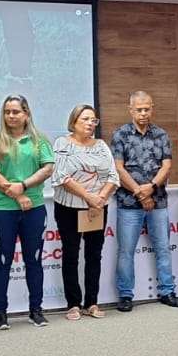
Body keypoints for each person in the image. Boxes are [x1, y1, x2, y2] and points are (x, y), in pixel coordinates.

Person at [0, 95, 55, 330]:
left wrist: (23, 186)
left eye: (16, 112)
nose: (11, 116)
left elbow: (47, 169)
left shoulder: (39, 141)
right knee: (2, 261)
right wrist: (16, 194)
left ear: (26, 114)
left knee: (34, 260)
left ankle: (36, 310)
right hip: (2, 209)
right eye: (7, 112)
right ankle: (0, 313)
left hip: (33, 209)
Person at [111, 90, 178, 311]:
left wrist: (150, 188)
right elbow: (118, 168)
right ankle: (125, 295)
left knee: (163, 248)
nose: (143, 113)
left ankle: (167, 291)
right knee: (126, 251)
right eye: (139, 109)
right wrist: (139, 193)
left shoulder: (161, 135)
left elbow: (167, 166)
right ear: (130, 110)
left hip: (158, 201)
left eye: (147, 109)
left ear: (152, 108)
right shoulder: (120, 134)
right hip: (128, 203)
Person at [50, 104, 117, 321]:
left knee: (94, 255)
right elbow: (61, 176)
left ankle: (92, 302)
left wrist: (100, 198)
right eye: (85, 119)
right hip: (69, 207)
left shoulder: (101, 146)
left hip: (97, 207)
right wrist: (88, 196)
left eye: (93, 120)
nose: (90, 123)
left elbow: (113, 176)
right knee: (71, 254)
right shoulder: (62, 143)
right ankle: (73, 304)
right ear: (74, 122)